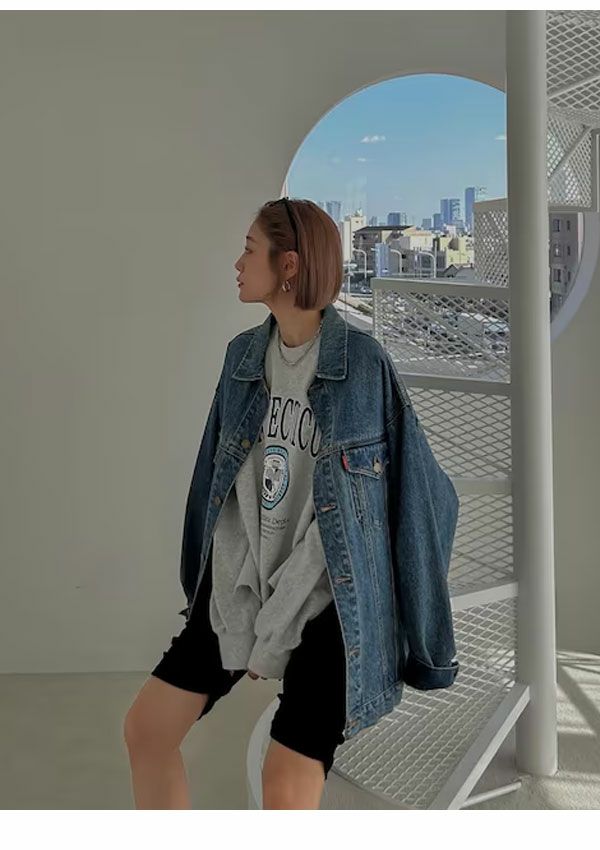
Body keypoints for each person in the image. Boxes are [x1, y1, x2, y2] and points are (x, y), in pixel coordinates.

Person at [123, 198, 348, 809]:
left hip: (330, 599)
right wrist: (241, 610)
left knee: (285, 782)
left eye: (250, 249)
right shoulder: (243, 359)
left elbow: (355, 527)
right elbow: (223, 493)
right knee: (147, 729)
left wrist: (277, 626)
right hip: (244, 580)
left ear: (289, 265)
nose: (238, 263)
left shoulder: (361, 367)